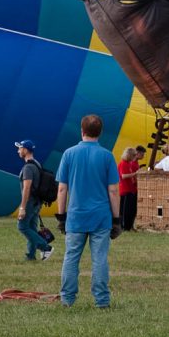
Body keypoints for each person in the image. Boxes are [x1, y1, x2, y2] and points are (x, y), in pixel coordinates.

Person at [55, 115, 121, 308]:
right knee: (99, 258)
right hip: (101, 217)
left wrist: (61, 216)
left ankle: (67, 299)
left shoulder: (69, 153)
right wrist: (116, 219)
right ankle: (102, 300)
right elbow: (113, 190)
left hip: (76, 216)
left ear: (81, 131)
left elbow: (62, 188)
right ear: (100, 133)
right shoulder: (107, 156)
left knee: (71, 257)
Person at [15, 139, 54, 261]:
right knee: (31, 227)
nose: (18, 151)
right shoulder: (37, 164)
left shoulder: (28, 168)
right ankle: (31, 255)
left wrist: (22, 207)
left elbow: (26, 188)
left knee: (22, 226)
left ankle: (45, 247)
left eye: (20, 148)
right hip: (38, 202)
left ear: (25, 150)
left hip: (30, 202)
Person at [118, 146, 140, 232]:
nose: (134, 157)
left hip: (130, 189)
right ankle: (124, 226)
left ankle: (128, 225)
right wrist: (135, 174)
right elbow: (123, 176)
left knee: (131, 209)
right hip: (125, 190)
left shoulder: (128, 164)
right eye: (133, 155)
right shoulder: (123, 163)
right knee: (125, 210)